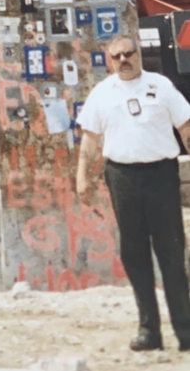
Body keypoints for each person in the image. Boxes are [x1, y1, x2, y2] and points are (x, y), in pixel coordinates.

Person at [76, 35, 190, 353]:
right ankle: (148, 330)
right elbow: (90, 138)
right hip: (123, 178)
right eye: (117, 56)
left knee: (171, 251)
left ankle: (185, 330)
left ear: (139, 55)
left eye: (129, 54)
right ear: (109, 60)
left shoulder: (162, 86)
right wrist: (82, 177)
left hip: (161, 175)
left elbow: (186, 127)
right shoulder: (102, 94)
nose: (124, 60)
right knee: (134, 254)